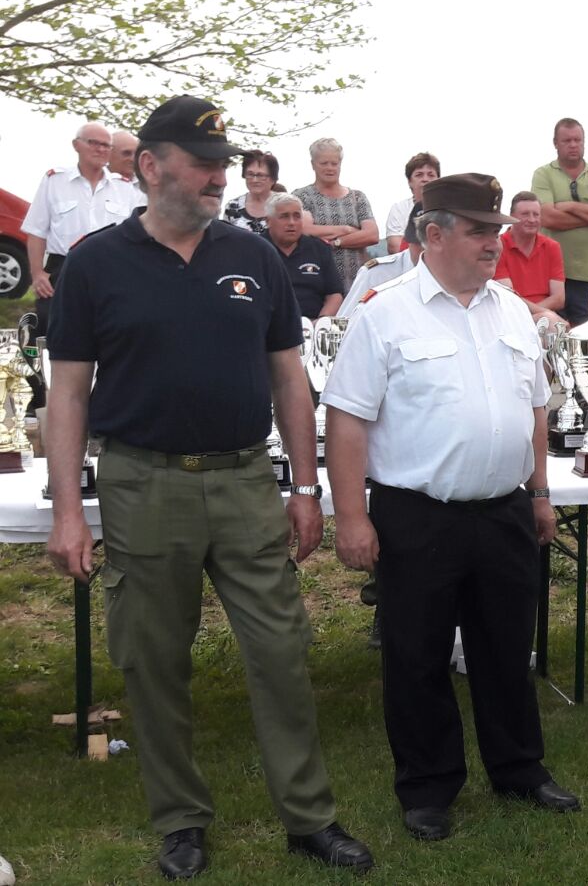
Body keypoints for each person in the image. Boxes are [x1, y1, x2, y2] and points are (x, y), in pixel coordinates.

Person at [44, 95, 372, 879]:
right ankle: (181, 821)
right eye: (202, 165)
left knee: (281, 650)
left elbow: (288, 377)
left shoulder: (252, 254)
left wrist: (305, 489)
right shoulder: (95, 263)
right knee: (153, 661)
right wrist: (68, 513)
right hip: (142, 483)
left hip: (244, 482)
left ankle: (308, 817)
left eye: (223, 165)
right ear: (150, 167)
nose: (219, 178)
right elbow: (69, 394)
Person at [323, 172, 580, 843]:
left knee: (507, 649)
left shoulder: (512, 310)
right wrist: (351, 517)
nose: (494, 242)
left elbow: (534, 409)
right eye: (479, 230)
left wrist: (541, 494)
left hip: (503, 510)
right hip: (418, 513)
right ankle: (429, 787)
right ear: (433, 234)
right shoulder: (385, 312)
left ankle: (519, 768)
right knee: (417, 655)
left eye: (496, 230)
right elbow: (347, 420)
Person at [21, 121, 141, 360]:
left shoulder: (125, 188)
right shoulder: (55, 181)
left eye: (106, 145)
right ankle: (40, 381)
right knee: (51, 329)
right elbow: (36, 230)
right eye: (93, 143)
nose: (100, 149)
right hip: (63, 268)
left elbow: (135, 235)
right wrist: (37, 273)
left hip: (111, 270)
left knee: (111, 333)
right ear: (76, 145)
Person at [531, 118, 588, 326]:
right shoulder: (543, 174)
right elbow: (548, 218)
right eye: (567, 140)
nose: (573, 145)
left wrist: (569, 206)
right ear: (556, 143)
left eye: (577, 140)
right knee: (551, 334)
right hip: (549, 277)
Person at [293, 137, 379, 288]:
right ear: (313, 164)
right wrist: (346, 230)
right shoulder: (301, 197)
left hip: (356, 282)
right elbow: (305, 230)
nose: (330, 168)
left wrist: (335, 243)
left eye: (334, 163)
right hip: (316, 280)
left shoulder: (357, 197)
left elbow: (372, 235)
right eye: (324, 163)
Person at [263, 192, 344, 320]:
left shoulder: (319, 248)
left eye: (297, 216)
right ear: (268, 221)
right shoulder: (256, 250)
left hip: (312, 323)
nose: (292, 222)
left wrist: (320, 322)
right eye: (284, 217)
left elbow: (334, 294)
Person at [493, 191, 566, 325]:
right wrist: (547, 315)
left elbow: (559, 298)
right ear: (512, 217)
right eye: (525, 214)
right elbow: (508, 297)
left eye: (536, 214)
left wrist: (543, 315)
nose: (532, 220)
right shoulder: (498, 246)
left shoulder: (552, 247)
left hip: (543, 318)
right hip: (510, 317)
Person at [385, 152, 440, 254]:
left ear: (438, 180)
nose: (425, 179)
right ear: (409, 181)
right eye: (419, 175)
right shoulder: (399, 209)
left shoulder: (450, 208)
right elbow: (394, 247)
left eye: (431, 175)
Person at [224, 150, 280, 236]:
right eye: (250, 174)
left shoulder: (286, 205)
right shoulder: (232, 206)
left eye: (260, 175)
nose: (255, 180)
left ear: (273, 178)